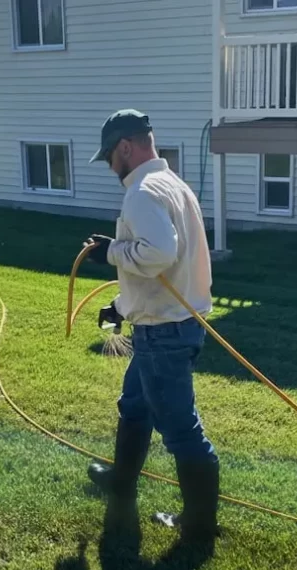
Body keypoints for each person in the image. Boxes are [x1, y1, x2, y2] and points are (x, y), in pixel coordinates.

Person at [83, 109, 219, 547]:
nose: (109, 165)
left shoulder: (142, 191)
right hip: (171, 324)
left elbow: (158, 254)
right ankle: (121, 481)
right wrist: (123, 306)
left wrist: (109, 251)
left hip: (164, 332)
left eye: (109, 156)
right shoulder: (174, 185)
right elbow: (168, 270)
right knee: (136, 405)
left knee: (181, 430)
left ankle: (199, 528)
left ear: (126, 147)